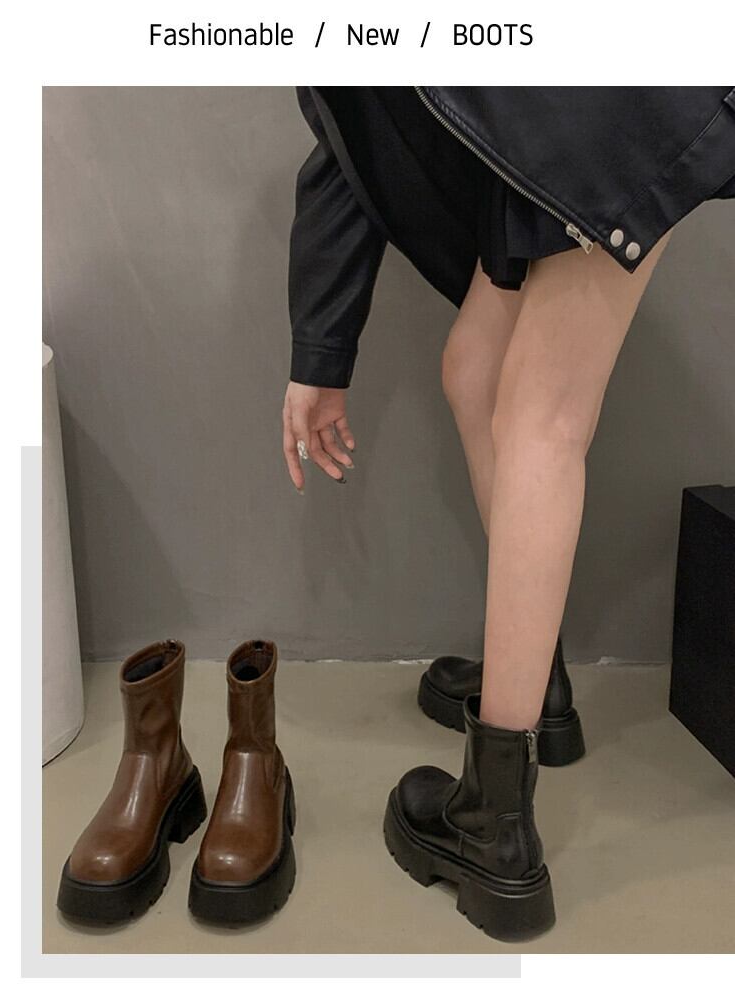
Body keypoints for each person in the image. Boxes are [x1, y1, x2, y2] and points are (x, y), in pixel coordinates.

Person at [281, 86, 735, 941]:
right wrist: (320, 353)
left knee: (542, 419)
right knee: (476, 369)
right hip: (556, 117)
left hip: (605, 103)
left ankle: (493, 827)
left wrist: (318, 355)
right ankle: (537, 682)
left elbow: (347, 134)